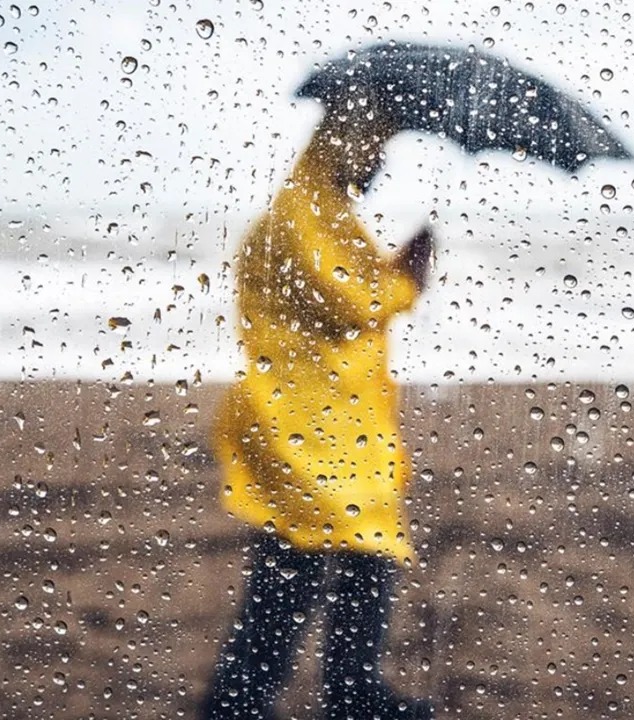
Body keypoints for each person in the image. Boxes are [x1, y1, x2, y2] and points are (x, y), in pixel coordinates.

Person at [198, 99, 436, 720]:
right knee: (302, 569)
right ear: (343, 142)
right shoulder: (299, 215)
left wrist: (397, 271)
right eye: (373, 145)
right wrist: (408, 277)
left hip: (337, 424)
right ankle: (249, 703)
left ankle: (351, 690)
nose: (379, 160)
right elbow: (347, 301)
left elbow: (350, 294)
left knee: (360, 556)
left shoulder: (327, 214)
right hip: (296, 427)